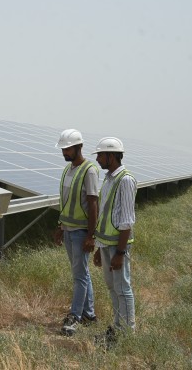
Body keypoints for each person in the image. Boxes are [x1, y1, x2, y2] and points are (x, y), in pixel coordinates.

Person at [91, 136, 138, 345]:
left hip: (117, 247)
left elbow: (127, 221)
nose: (98, 159)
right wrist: (99, 248)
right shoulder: (109, 179)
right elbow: (105, 215)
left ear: (112, 156)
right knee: (112, 287)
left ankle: (128, 334)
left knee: (123, 288)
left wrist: (120, 253)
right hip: (106, 244)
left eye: (101, 155)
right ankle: (117, 329)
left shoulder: (125, 180)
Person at [53, 129, 100, 336]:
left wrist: (91, 236)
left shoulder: (89, 170)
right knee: (81, 274)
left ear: (79, 147)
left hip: (81, 232)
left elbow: (93, 204)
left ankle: (74, 317)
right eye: (63, 149)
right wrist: (60, 226)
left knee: (79, 276)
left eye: (67, 149)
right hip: (68, 230)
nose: (64, 152)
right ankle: (89, 314)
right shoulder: (68, 170)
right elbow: (66, 202)